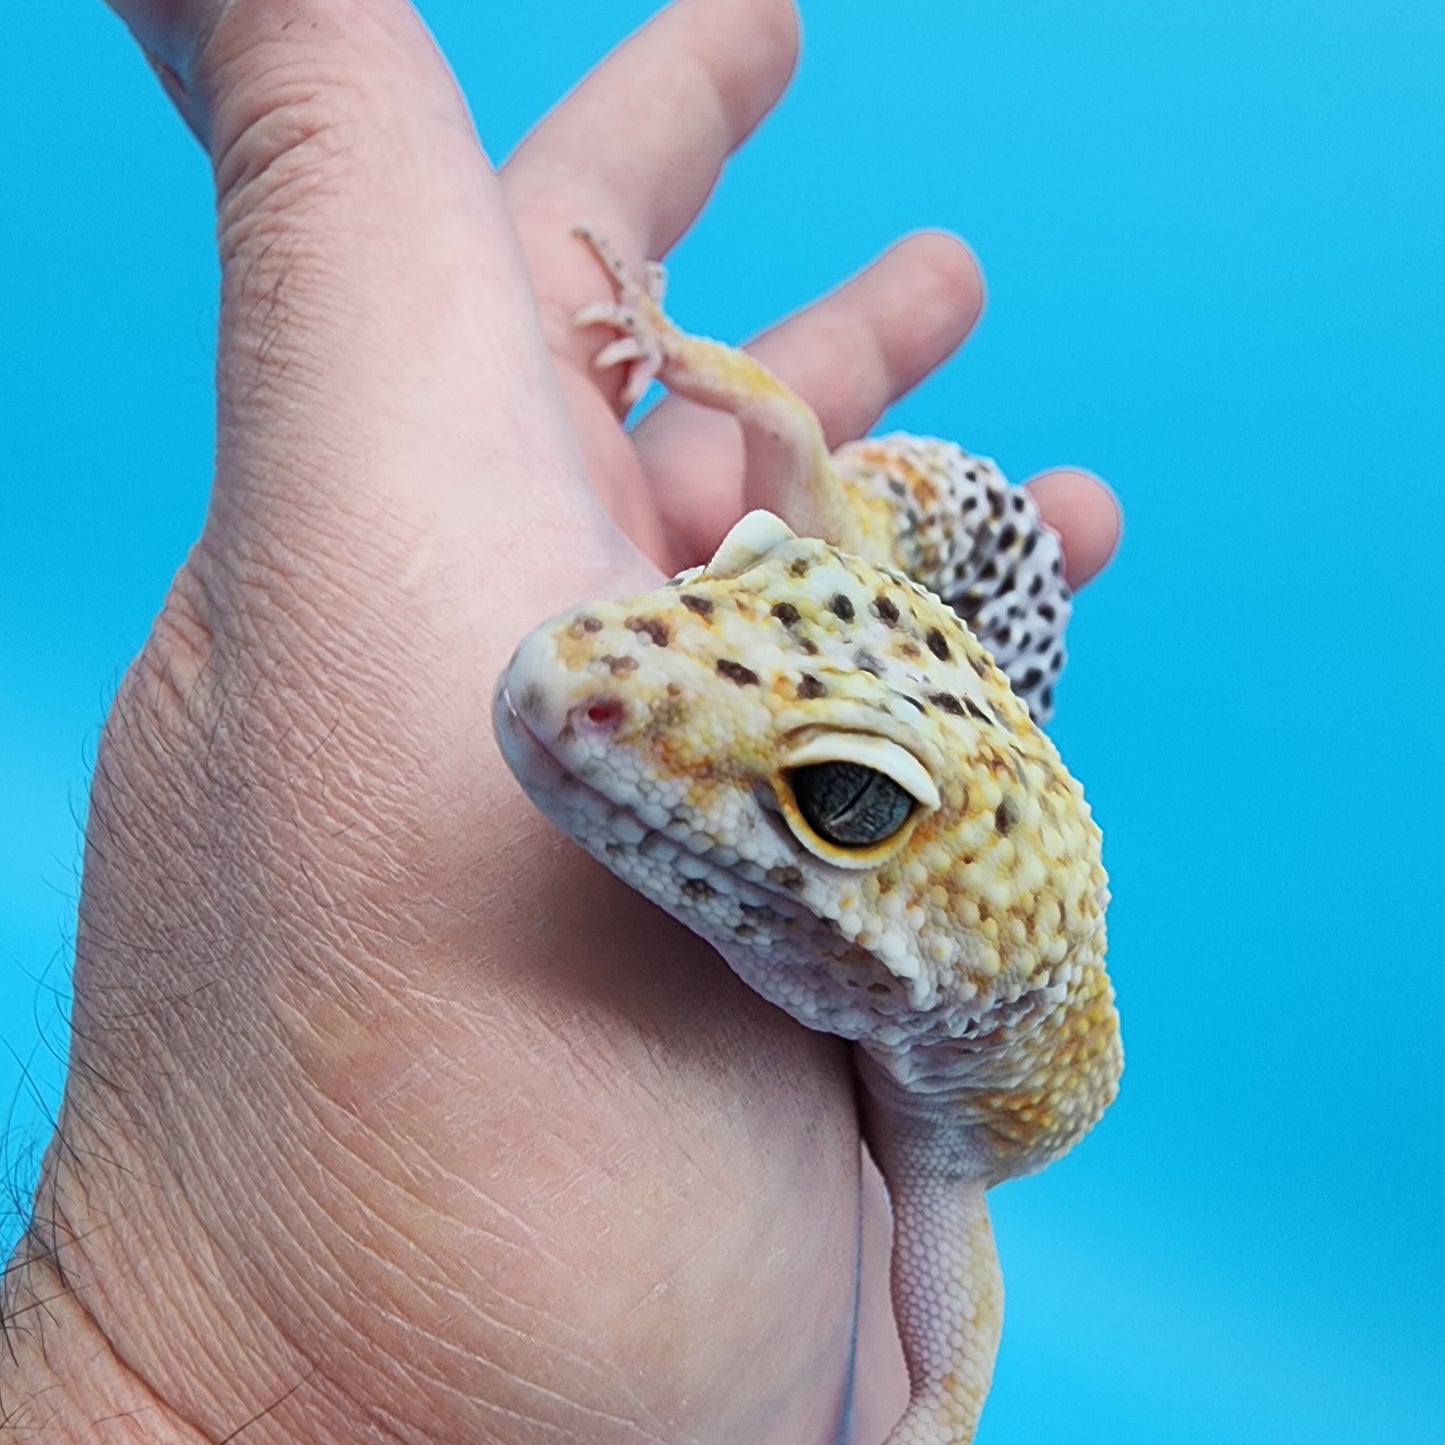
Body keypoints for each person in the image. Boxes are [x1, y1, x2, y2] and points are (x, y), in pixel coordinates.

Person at [2, 0, 1120, 1439]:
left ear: (951, 980)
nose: (568, 671)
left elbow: (951, 1367)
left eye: (834, 797)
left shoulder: (951, 1138)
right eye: (726, 582)